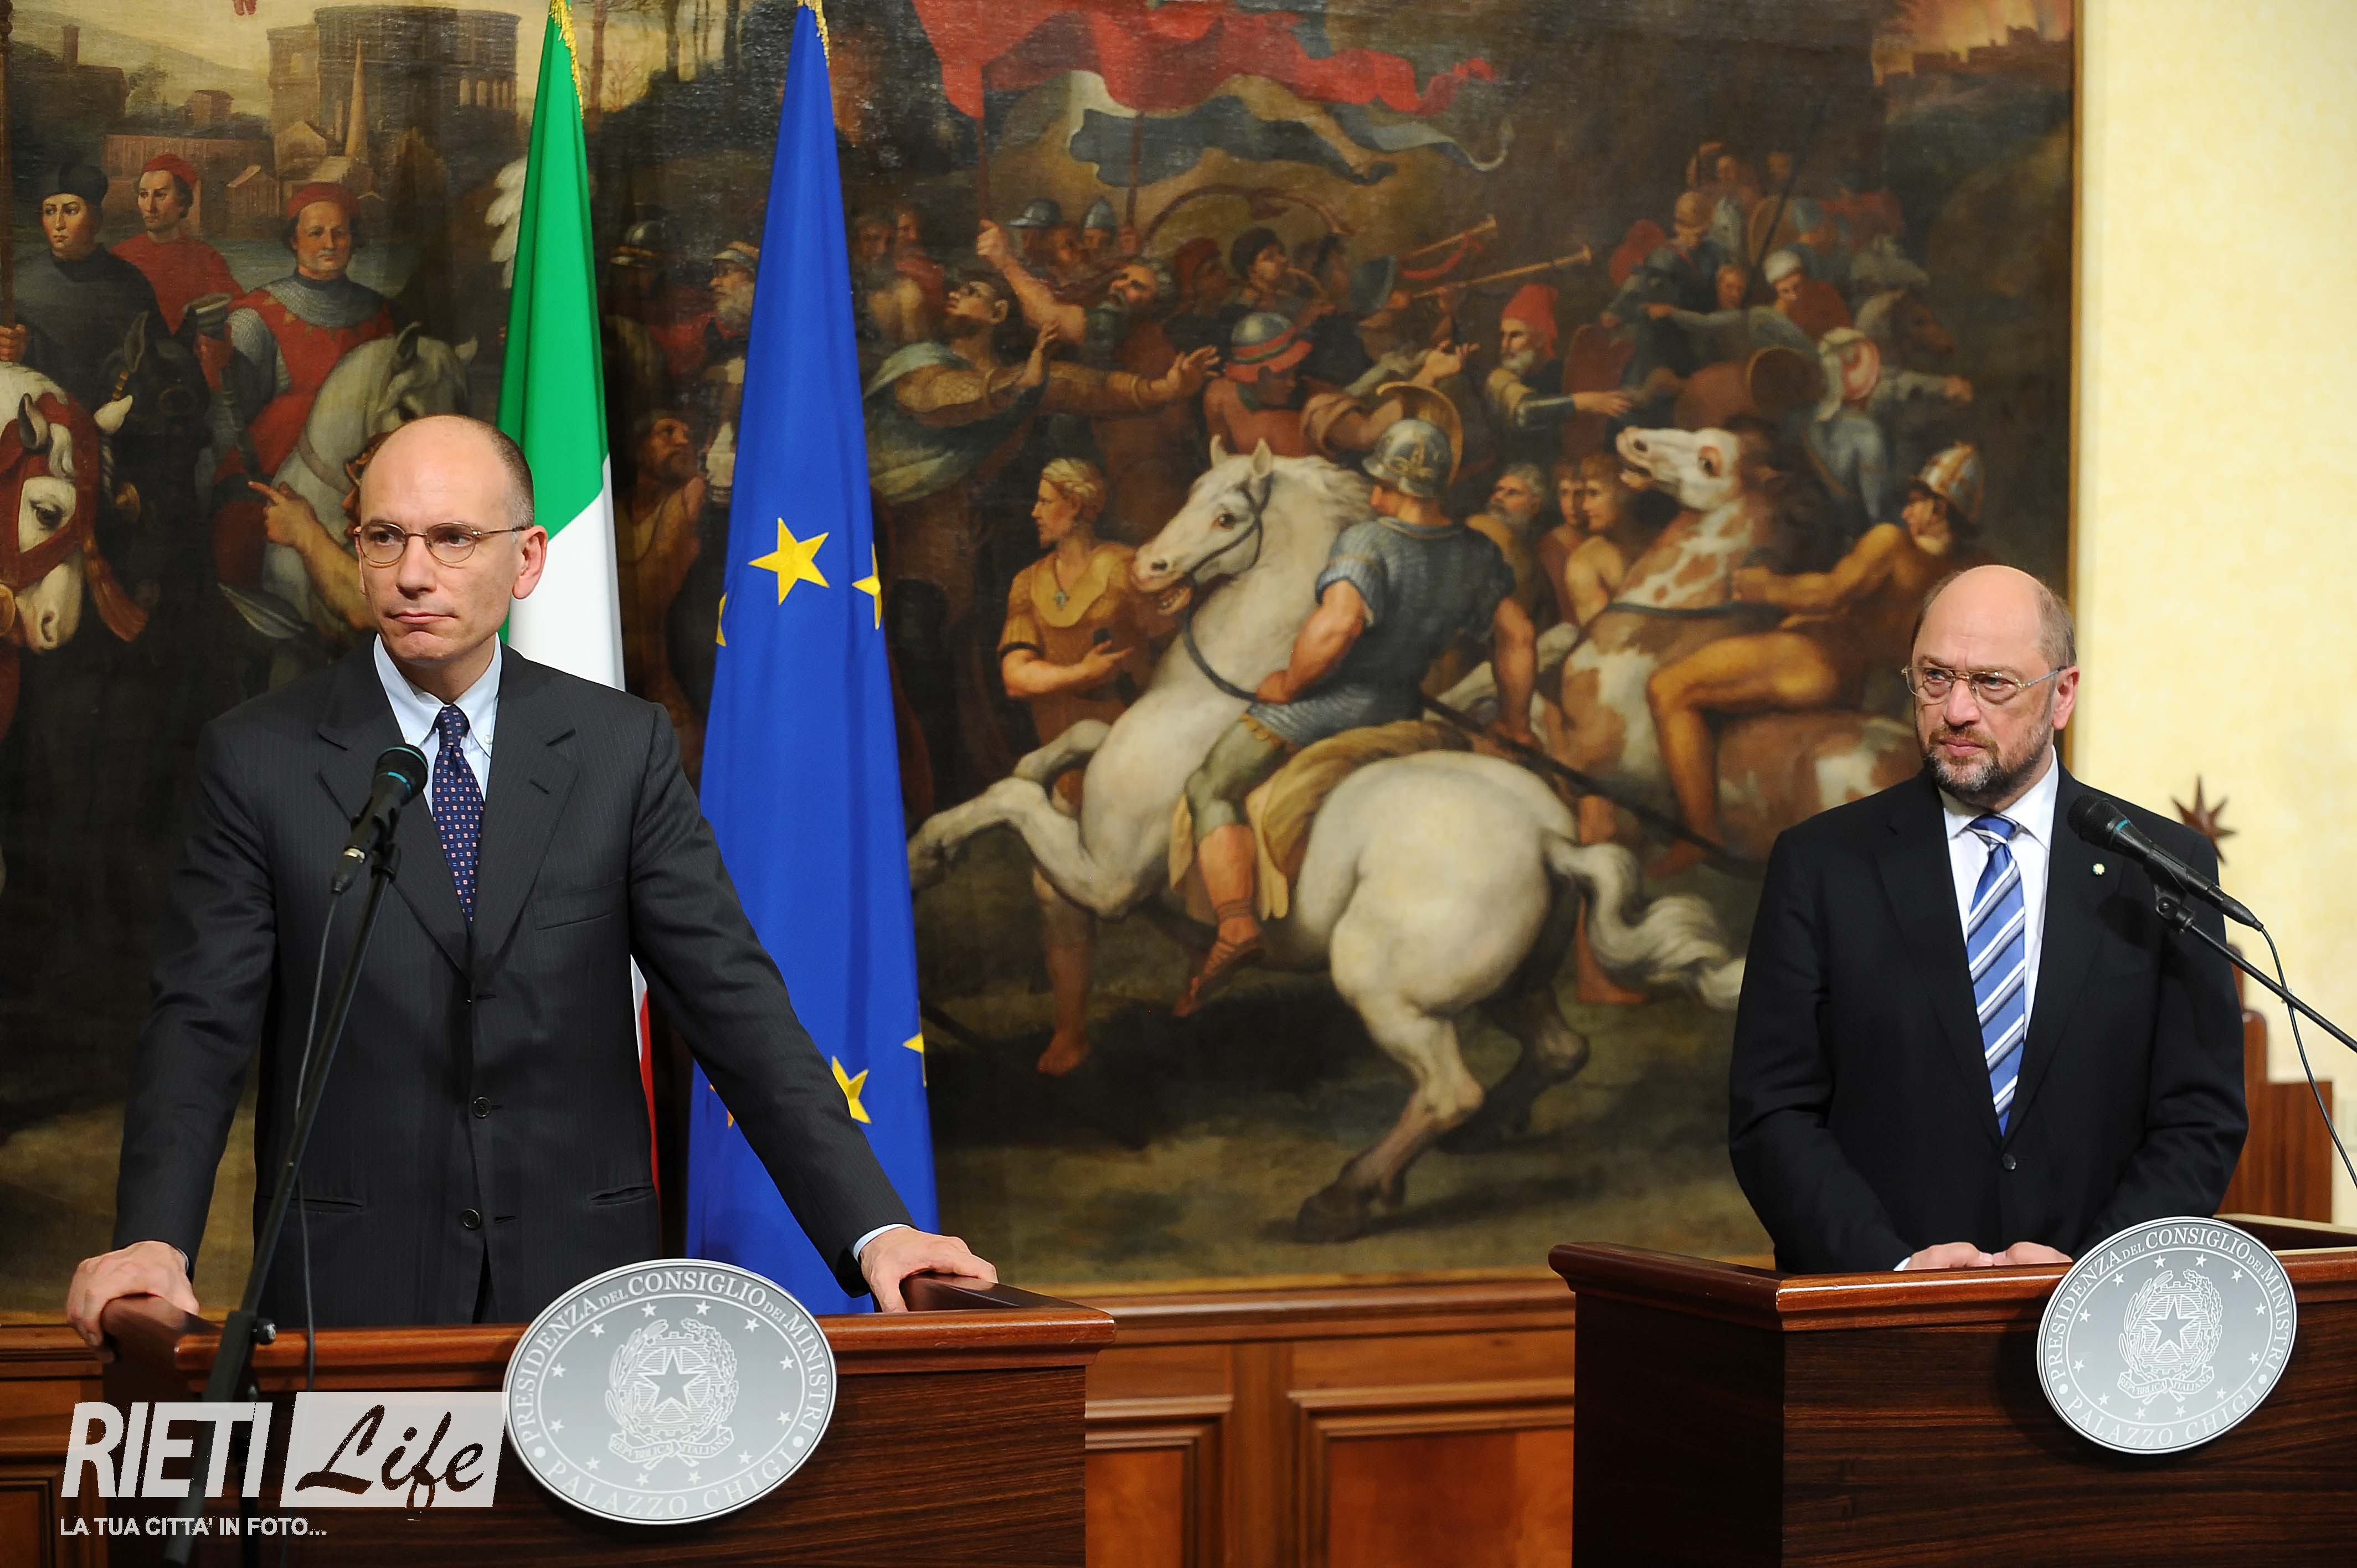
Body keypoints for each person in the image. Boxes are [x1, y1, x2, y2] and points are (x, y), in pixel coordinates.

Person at [64, 415, 991, 1339]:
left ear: (528, 558)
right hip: (349, 1291)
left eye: (452, 538)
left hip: (581, 1288)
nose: (412, 572)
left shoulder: (618, 750)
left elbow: (734, 1004)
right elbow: (198, 1024)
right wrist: (154, 1240)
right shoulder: (259, 757)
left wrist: (877, 1230)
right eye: (384, 537)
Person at [1727, 565, 2244, 1274]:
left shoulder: (2158, 866)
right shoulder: (1820, 864)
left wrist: (2092, 1279)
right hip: (1873, 1309)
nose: (1956, 710)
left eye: (1992, 683)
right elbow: (1772, 1113)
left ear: (2062, 695)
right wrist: (1891, 1271)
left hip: (2096, 1311)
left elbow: (2198, 1117)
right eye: (1934, 678)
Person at [1174, 418, 1535, 1015]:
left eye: (1380, 483)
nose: (1373, 494)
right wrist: (1516, 724)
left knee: (1210, 784)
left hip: (1328, 710)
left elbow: (1337, 627)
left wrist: (1288, 683)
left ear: (1394, 483)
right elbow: (1517, 636)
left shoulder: (1368, 542)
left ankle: (1235, 926)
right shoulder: (1475, 552)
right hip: (1402, 708)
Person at [1644, 443, 1986, 879]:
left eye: (1917, 501)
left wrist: (1766, 586)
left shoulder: (1891, 544)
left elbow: (1831, 593)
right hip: (1862, 683)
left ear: (1939, 508)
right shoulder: (1971, 570)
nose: (1907, 512)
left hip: (1818, 660)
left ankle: (1698, 834)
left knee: (1669, 687)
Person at [996, 459, 1176, 1076]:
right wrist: (1080, 674)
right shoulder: (1027, 584)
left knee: (1161, 882)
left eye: (1045, 501)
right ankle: (1070, 1034)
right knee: (1055, 898)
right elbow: (1016, 677)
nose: (1035, 512)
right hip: (1064, 769)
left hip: (1134, 759)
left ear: (1076, 506)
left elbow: (1172, 638)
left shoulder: (1125, 569)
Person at [0, 163, 164, 414]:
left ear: (96, 220)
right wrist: (12, 347)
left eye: (71, 211)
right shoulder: (18, 280)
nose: (58, 223)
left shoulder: (129, 282)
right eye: (49, 211)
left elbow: (156, 360)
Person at [110, 154, 240, 354]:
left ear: (182, 203)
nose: (150, 207)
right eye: (144, 195)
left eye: (160, 195)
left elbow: (237, 313)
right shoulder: (119, 257)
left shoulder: (207, 259)